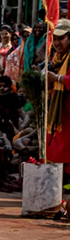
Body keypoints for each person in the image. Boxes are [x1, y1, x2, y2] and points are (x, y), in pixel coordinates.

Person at [45, 19, 70, 165]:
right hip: (58, 108)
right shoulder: (57, 57)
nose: (57, 43)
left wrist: (58, 78)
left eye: (62, 39)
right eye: (55, 39)